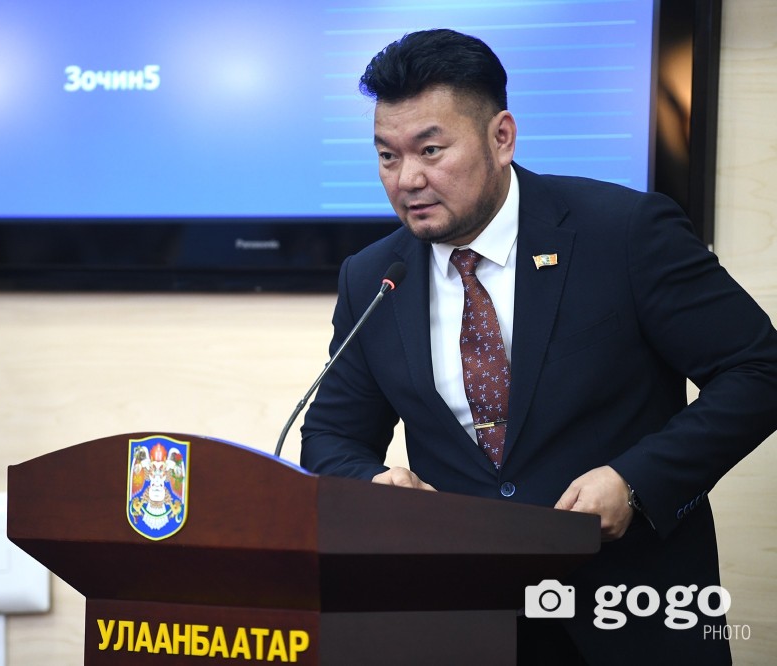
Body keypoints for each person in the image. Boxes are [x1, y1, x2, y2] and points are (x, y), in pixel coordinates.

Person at [299, 28, 777, 665]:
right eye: (388, 156)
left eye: (431, 150)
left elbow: (758, 369)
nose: (407, 178)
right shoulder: (374, 277)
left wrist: (636, 481)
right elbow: (331, 435)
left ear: (502, 137)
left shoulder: (623, 232)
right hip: (464, 623)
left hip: (629, 613)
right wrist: (375, 485)